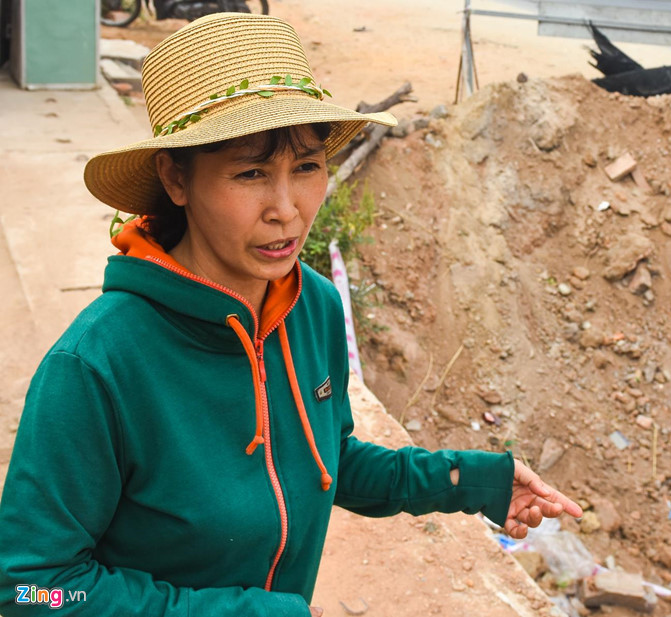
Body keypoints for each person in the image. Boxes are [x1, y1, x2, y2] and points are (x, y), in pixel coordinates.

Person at [0, 13, 581, 616]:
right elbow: (27, 586)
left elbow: (324, 459)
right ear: (176, 177)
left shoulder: (313, 307)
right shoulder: (96, 366)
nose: (287, 209)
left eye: (306, 167)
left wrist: (473, 482)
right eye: (250, 172)